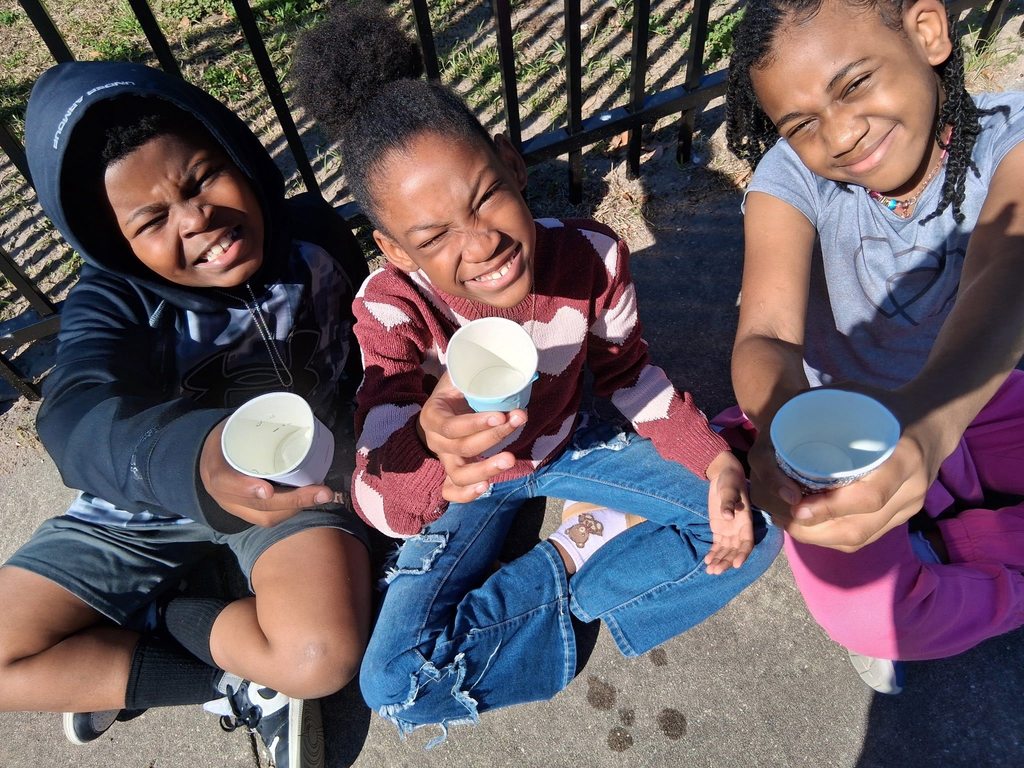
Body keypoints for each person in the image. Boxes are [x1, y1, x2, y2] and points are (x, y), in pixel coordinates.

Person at [290, 2, 783, 745]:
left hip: (569, 443)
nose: (480, 243)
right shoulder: (389, 308)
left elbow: (630, 376)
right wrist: (431, 449)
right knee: (392, 684)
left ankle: (586, 577)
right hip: (469, 485)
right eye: (433, 236)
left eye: (485, 196)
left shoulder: (592, 257)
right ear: (395, 250)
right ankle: (573, 559)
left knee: (757, 520)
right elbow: (376, 492)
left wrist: (715, 462)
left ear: (512, 165)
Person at [3, 61, 373, 767]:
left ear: (238, 154)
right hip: (149, 498)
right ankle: (230, 682)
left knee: (318, 656)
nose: (196, 218)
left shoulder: (313, 234)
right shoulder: (112, 303)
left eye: (203, 179)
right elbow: (73, 410)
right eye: (151, 220)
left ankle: (150, 622)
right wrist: (195, 459)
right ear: (114, 243)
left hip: (288, 486)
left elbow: (370, 336)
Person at [722, 0, 1024, 694]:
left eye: (855, 83)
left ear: (928, 32)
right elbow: (765, 334)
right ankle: (962, 549)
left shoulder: (1009, 139)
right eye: (800, 124)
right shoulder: (792, 180)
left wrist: (930, 425)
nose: (841, 134)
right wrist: (784, 430)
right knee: (875, 620)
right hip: (837, 426)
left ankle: (951, 541)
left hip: (975, 397)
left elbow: (1007, 277)